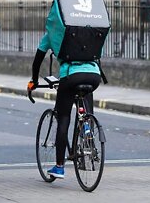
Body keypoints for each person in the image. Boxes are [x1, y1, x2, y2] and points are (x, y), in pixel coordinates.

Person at [27, 34, 102, 179]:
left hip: (71, 76)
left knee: (63, 117)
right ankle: (87, 132)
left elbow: (38, 60)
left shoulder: (52, 32)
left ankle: (59, 167)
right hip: (94, 75)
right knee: (86, 109)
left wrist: (34, 81)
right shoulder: (92, 28)